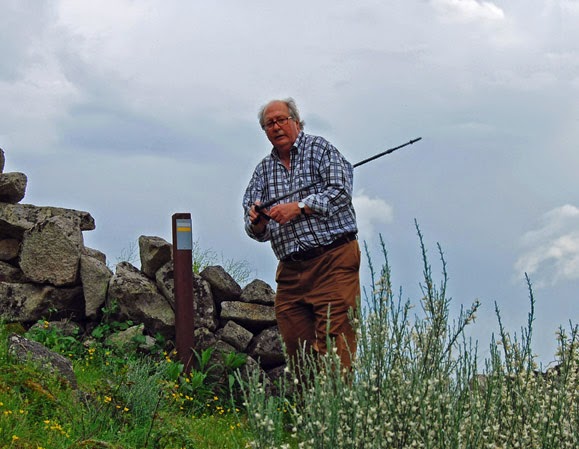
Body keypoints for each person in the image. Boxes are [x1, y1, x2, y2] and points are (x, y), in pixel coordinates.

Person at [242, 98, 361, 370]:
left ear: (296, 121)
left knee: (335, 347)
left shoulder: (320, 149)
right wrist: (257, 222)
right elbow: (254, 227)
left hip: (333, 261)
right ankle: (309, 411)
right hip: (291, 272)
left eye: (281, 120)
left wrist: (300, 207)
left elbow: (341, 192)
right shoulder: (262, 171)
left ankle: (337, 410)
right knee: (298, 350)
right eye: (269, 123)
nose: (276, 127)